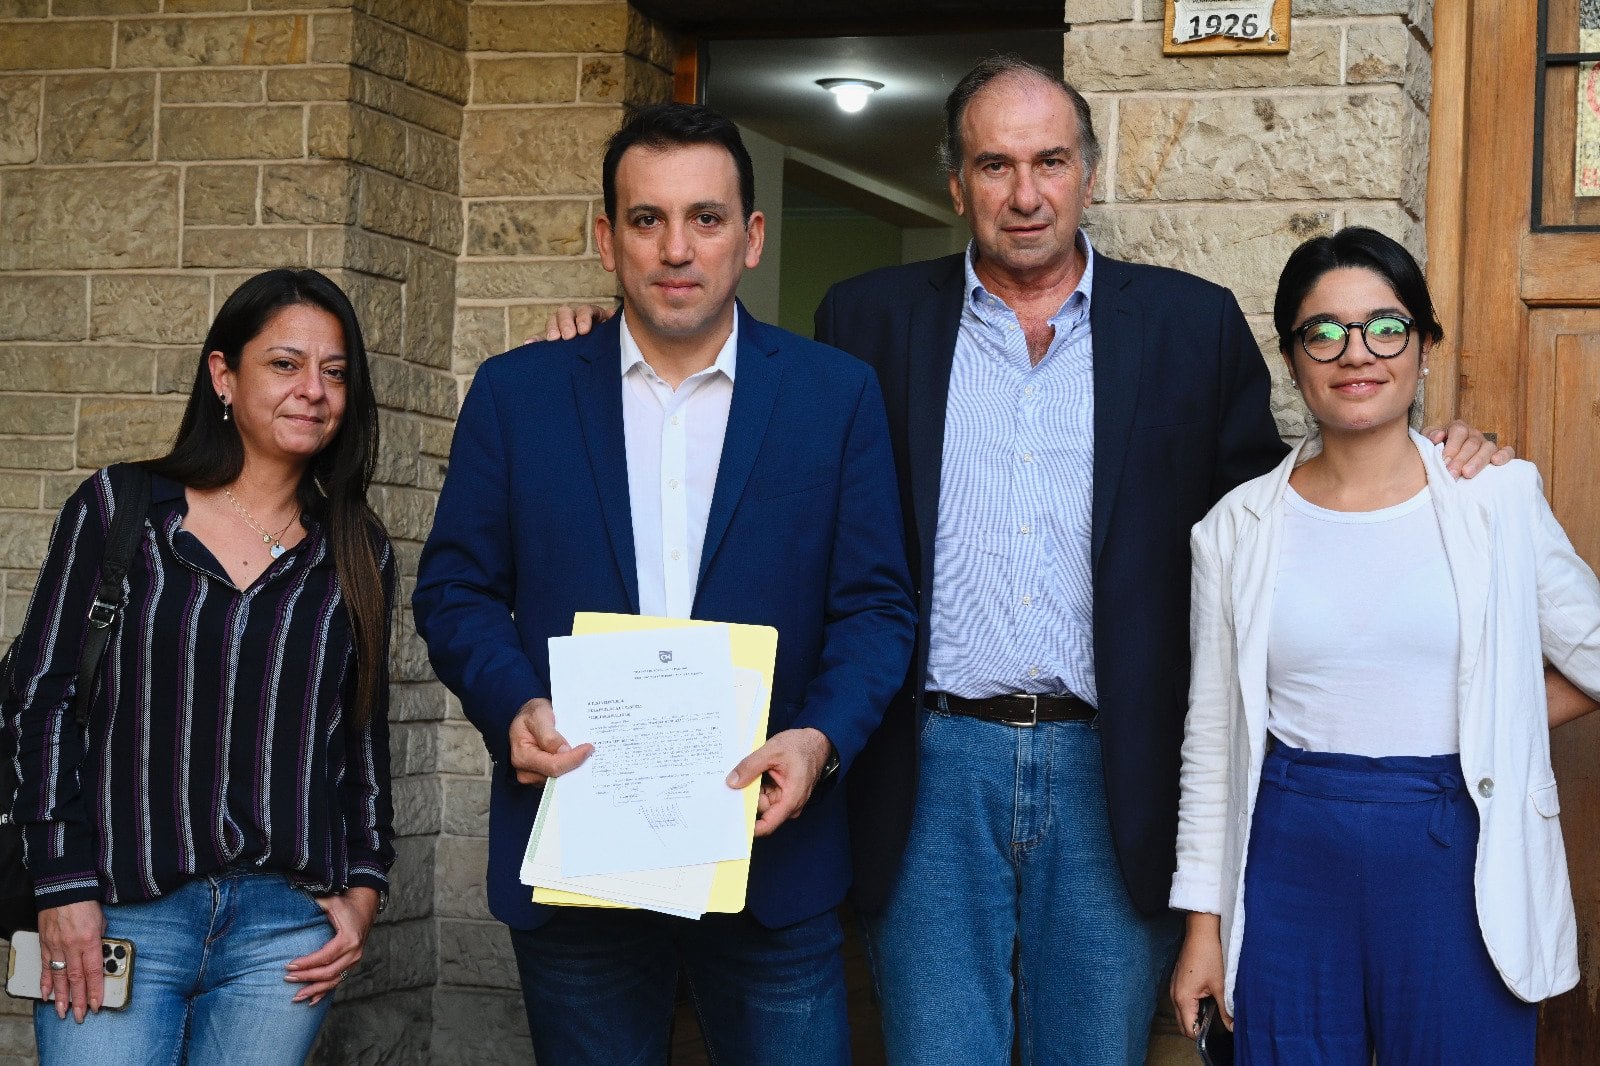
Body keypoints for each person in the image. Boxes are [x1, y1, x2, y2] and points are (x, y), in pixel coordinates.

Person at [538, 57, 1510, 1064]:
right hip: (926, 766)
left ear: (1089, 172)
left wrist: (1425, 457)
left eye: (1049, 160)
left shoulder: (1190, 325)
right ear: (955, 185)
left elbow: (1280, 520)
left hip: (1113, 766)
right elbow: (745, 407)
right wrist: (603, 342)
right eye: (993, 165)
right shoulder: (865, 321)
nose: (1025, 192)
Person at [412, 103, 914, 1064]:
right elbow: (456, 590)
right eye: (647, 220)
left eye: (706, 218)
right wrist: (510, 700)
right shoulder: (518, 395)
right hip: (581, 850)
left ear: (752, 238)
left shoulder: (833, 396)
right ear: (606, 238)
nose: (676, 248)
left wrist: (821, 740)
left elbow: (876, 608)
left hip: (771, 855)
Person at [1167, 227, 1600, 1063]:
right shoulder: (1235, 530)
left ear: (1425, 346)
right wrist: (1202, 930)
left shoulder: (1497, 500)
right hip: (1288, 853)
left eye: (1386, 327)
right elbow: (1212, 745)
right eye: (1322, 332)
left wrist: (1499, 718)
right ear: (1293, 359)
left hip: (1456, 858)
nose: (1355, 353)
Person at [5, 268, 396, 1064]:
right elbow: (38, 700)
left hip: (282, 935)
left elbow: (358, 733)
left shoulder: (356, 548)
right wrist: (61, 887)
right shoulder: (122, 510)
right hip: (117, 912)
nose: (313, 390)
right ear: (224, 374)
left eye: (335, 371)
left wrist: (363, 889)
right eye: (285, 364)